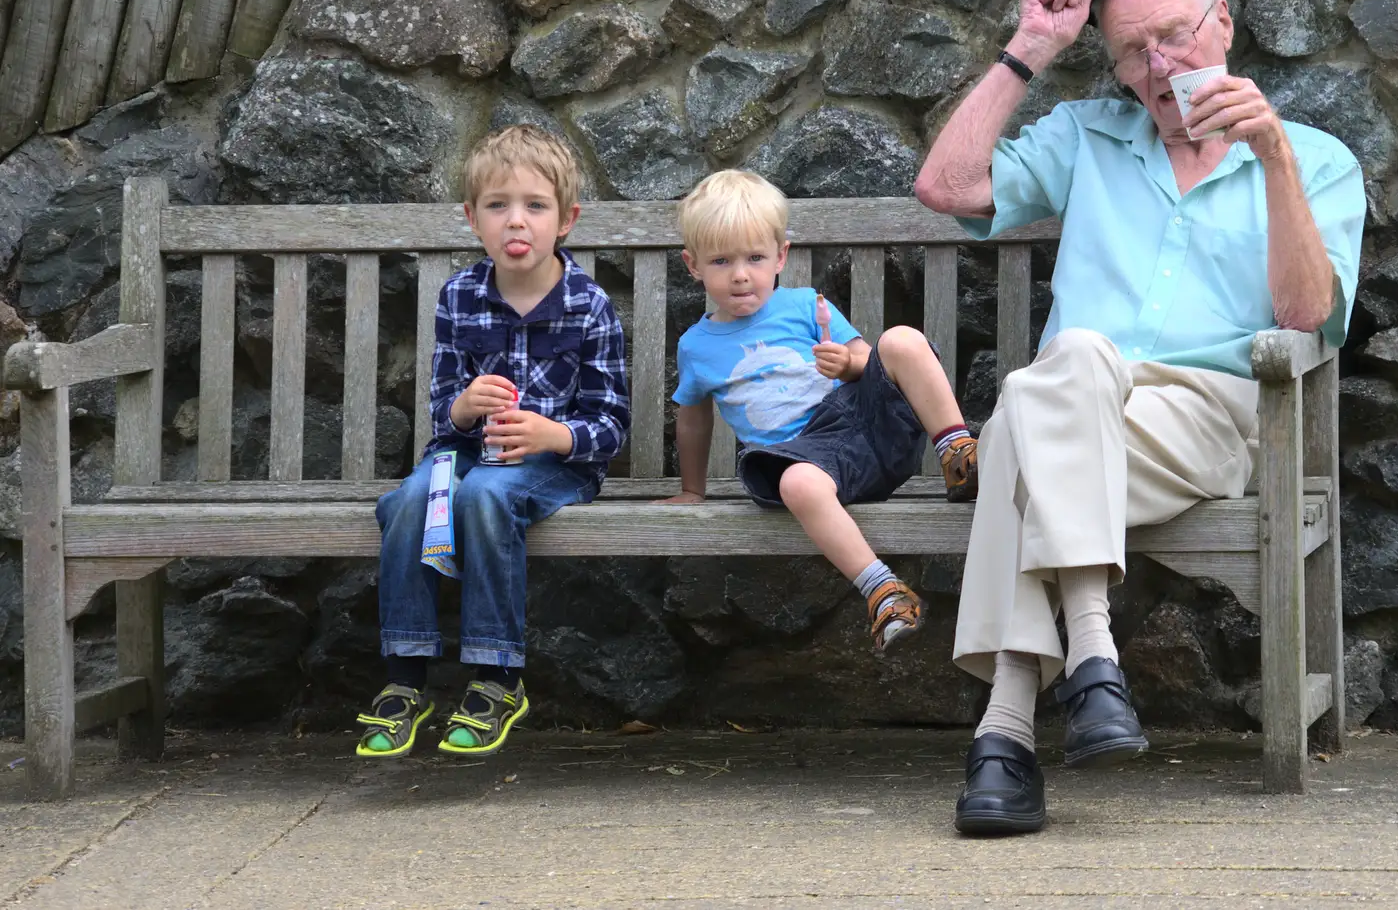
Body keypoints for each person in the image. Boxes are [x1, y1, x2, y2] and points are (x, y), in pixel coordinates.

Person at [913, 0, 1364, 834]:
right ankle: (1072, 680)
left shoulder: (1316, 159)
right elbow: (947, 190)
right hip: (1074, 406)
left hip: (1206, 416)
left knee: (1020, 429)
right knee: (1069, 366)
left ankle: (1013, 727)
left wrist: (1270, 153)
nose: (1159, 67)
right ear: (1111, 65)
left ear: (1223, 24)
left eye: (1174, 36)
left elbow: (1306, 316)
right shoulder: (1088, 136)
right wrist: (1032, 46)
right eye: (1131, 50)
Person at [357, 125, 630, 759]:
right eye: (497, 205)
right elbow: (441, 416)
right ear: (472, 219)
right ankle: (405, 678)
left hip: (555, 467)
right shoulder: (460, 296)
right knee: (406, 501)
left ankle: (497, 677)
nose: (517, 221)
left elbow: (610, 426)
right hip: (464, 454)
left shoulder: (588, 307)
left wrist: (552, 434)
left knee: (485, 496)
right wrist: (463, 406)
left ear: (566, 220)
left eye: (535, 206)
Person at [661, 170, 980, 654]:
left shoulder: (806, 306)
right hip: (810, 458)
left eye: (754, 258)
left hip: (868, 430)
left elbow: (867, 361)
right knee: (794, 483)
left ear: (780, 257)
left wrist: (847, 363)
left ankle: (958, 453)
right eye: (722, 261)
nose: (741, 274)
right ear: (693, 265)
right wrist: (691, 489)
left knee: (901, 341)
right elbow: (693, 416)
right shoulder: (697, 346)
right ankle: (883, 592)